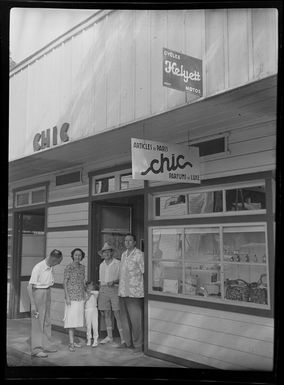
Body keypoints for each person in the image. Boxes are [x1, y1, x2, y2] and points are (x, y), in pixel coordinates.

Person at [27, 249, 63, 358]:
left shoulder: (51, 267)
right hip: (38, 293)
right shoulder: (38, 267)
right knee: (38, 321)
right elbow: (29, 287)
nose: (58, 264)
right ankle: (36, 349)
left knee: (47, 320)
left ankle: (46, 345)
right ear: (52, 259)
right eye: (57, 262)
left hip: (47, 292)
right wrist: (33, 304)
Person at [117, 234, 144, 354]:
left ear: (134, 242)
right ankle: (128, 343)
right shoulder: (123, 254)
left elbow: (144, 272)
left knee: (136, 320)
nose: (127, 242)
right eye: (125, 240)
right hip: (123, 292)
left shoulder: (139, 254)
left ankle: (138, 345)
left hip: (134, 293)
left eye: (130, 240)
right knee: (124, 320)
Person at [98, 242, 125, 346]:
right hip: (104, 290)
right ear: (102, 254)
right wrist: (100, 292)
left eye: (108, 252)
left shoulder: (117, 263)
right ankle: (110, 336)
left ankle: (123, 338)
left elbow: (122, 278)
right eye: (104, 252)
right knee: (106, 314)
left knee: (117, 314)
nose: (106, 254)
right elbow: (101, 281)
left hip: (115, 289)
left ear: (111, 253)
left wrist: (114, 281)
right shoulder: (102, 265)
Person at [63, 248, 86, 352]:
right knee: (71, 320)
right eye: (76, 255)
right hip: (71, 297)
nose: (78, 257)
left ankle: (73, 341)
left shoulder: (82, 267)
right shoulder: (69, 267)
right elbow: (65, 282)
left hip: (80, 297)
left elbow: (82, 282)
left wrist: (85, 293)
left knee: (76, 320)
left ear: (82, 257)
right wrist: (67, 297)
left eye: (80, 255)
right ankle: (71, 343)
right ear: (73, 256)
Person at [84, 281, 99, 347]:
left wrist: (89, 292)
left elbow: (97, 293)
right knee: (88, 325)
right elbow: (84, 300)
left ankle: (95, 340)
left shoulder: (95, 292)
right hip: (87, 310)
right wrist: (88, 293)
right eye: (89, 286)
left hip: (94, 309)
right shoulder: (85, 293)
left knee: (95, 324)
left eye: (91, 285)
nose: (90, 287)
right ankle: (89, 339)